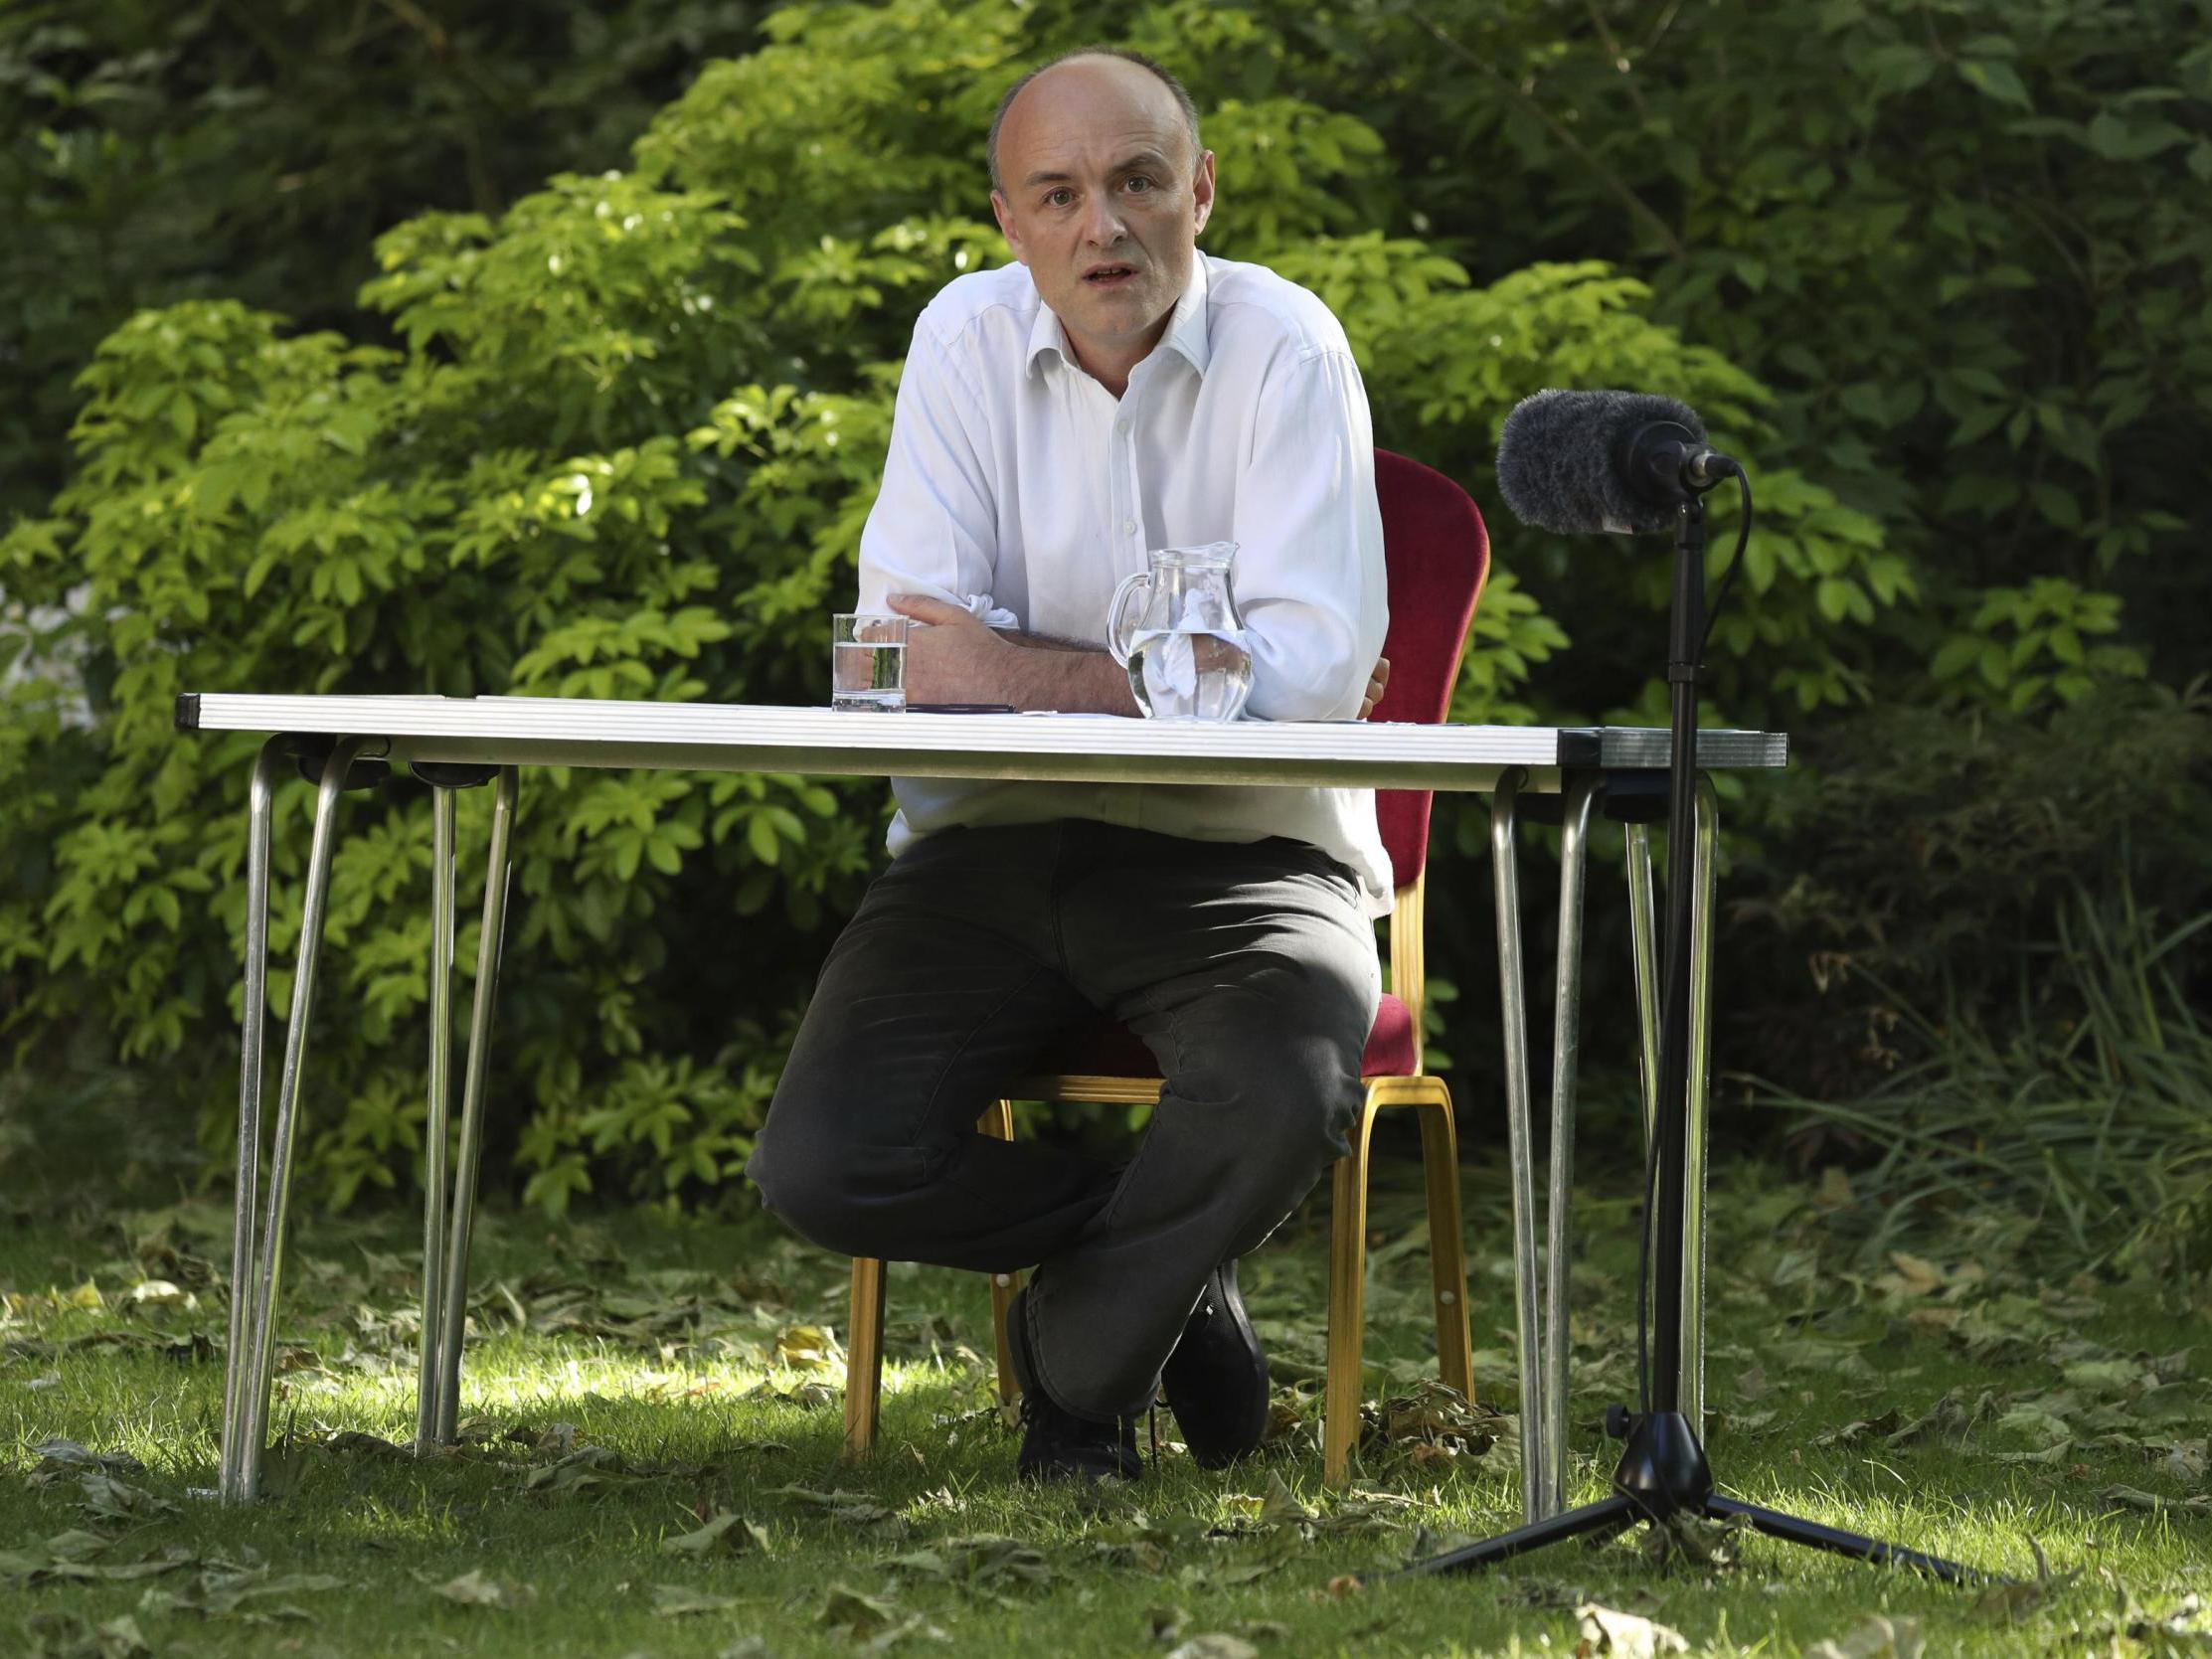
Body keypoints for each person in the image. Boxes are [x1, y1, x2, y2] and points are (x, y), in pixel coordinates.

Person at [747, 46, 1394, 1483]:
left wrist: (1023, 672)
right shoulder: (960, 342)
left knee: (1282, 1087)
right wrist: (1157, 678)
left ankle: (1080, 1383)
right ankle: (1169, 1266)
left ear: (1199, 193)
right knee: (819, 1165)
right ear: (1008, 219)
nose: (1101, 224)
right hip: (990, 852)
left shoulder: (1289, 350)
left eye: (1136, 182)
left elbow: (1305, 682)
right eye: (1058, 193)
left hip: (1246, 854)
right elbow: (904, 652)